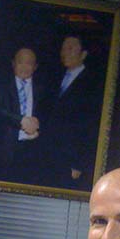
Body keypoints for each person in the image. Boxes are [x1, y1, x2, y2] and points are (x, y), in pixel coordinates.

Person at [39, 34, 103, 190]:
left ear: (83, 54)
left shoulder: (93, 83)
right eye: (63, 48)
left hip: (71, 159)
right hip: (48, 152)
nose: (65, 53)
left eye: (70, 48)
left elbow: (91, 125)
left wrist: (79, 163)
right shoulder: (54, 77)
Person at [0, 47, 45, 184]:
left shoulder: (43, 89)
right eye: (20, 62)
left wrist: (39, 129)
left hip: (32, 152)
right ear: (13, 63)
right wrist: (20, 120)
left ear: (35, 67)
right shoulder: (0, 85)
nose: (24, 67)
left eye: (29, 63)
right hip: (3, 152)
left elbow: (50, 117)